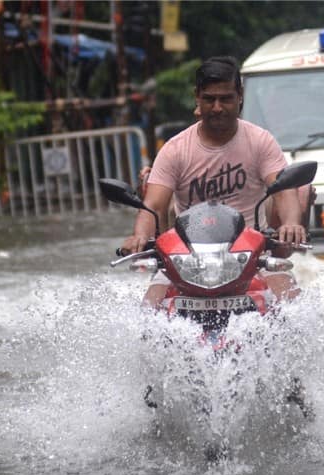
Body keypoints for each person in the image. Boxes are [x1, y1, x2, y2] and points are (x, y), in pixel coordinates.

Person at [121, 56, 309, 309]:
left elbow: (284, 191)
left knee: (294, 311)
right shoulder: (175, 149)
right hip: (186, 261)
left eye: (226, 98)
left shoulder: (260, 141)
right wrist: (139, 236)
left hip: (252, 257)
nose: (218, 107)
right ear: (197, 97)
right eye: (210, 99)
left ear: (240, 96)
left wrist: (291, 224)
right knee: (146, 316)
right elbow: (153, 204)